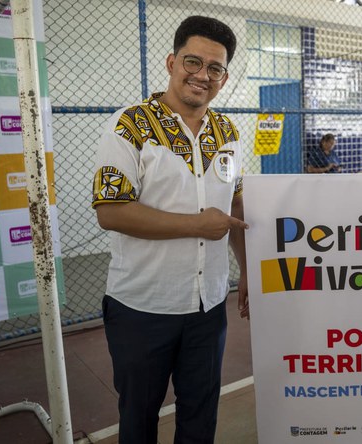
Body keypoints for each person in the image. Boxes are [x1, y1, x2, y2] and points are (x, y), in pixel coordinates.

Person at [91, 16, 249, 444]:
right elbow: (111, 211)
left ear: (224, 77)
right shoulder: (131, 125)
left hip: (208, 304)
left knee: (201, 414)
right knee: (139, 416)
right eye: (193, 62)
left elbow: (234, 205)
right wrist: (197, 224)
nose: (202, 75)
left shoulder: (228, 132)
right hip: (143, 306)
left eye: (215, 68)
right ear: (172, 61)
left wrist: (247, 269)